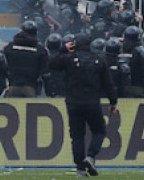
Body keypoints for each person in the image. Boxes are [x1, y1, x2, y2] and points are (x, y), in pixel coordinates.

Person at [50, 33, 118, 177]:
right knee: (99, 131)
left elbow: (52, 64)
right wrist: (113, 103)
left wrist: (63, 49)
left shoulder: (69, 59)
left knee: (77, 136)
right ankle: (91, 156)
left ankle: (80, 168)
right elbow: (109, 84)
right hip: (92, 102)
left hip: (73, 103)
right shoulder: (99, 60)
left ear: (75, 44)